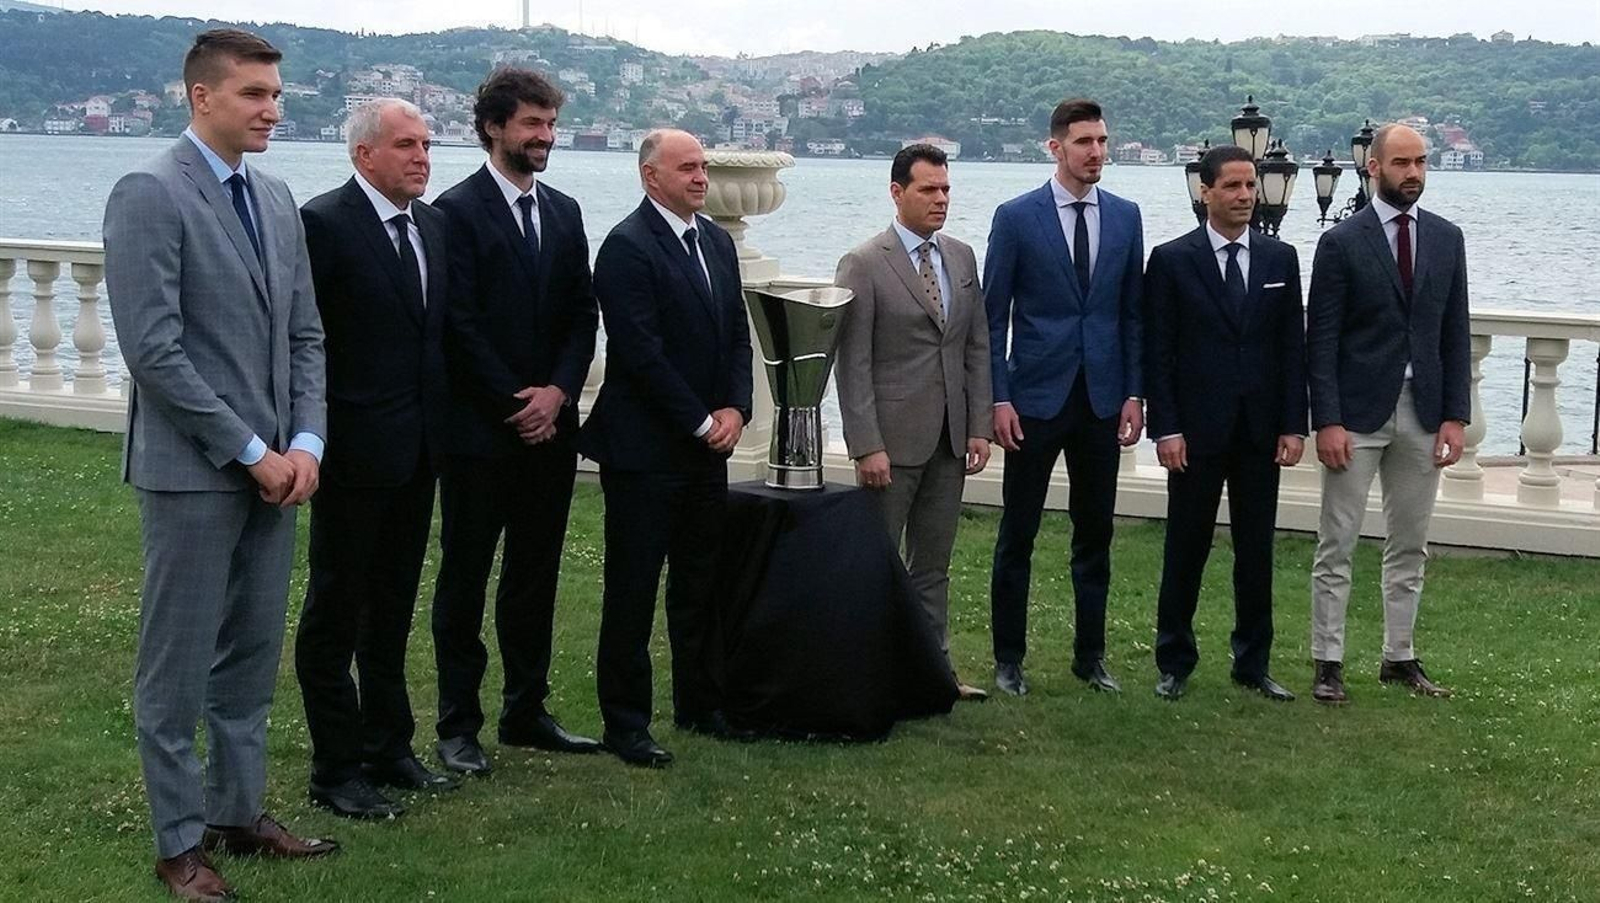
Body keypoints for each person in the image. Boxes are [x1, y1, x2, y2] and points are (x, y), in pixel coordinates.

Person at [102, 28, 334, 902]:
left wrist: (305, 444)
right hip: (196, 475)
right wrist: (251, 452)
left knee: (249, 655)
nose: (273, 108)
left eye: (277, 94)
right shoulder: (149, 193)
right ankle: (176, 845)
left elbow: (307, 334)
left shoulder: (275, 197)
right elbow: (154, 352)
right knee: (177, 666)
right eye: (254, 94)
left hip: (281, 473)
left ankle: (237, 811)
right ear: (202, 96)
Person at [428, 67, 601, 774]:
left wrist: (558, 393)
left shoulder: (563, 213)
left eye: (551, 124)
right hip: (477, 433)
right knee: (465, 577)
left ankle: (526, 710)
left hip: (551, 434)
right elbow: (457, 324)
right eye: (533, 123)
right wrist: (514, 401)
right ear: (495, 126)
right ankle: (457, 724)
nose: (546, 137)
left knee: (535, 575)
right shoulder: (452, 212)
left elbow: (580, 314)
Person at [293, 99, 458, 820]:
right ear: (364, 154)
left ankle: (390, 746)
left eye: (426, 144)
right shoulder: (325, 224)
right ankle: (336, 767)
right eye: (406, 145)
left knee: (391, 610)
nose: (422, 157)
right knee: (336, 610)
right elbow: (306, 341)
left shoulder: (433, 226)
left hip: (419, 453)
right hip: (351, 454)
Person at [579, 129, 754, 768]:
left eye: (704, 166)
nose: (701, 178)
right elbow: (639, 353)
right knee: (632, 590)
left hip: (705, 451)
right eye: (688, 168)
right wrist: (700, 422)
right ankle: (626, 723)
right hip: (645, 453)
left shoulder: (713, 241)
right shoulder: (627, 248)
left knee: (700, 584)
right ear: (652, 177)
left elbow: (738, 331)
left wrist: (737, 407)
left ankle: (701, 704)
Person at [984, 98, 1146, 696]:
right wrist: (999, 399)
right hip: (1033, 399)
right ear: (1056, 148)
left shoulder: (1126, 217)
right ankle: (1008, 658)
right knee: (1017, 533)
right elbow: (992, 314)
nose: (1096, 152)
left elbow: (1132, 311)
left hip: (1102, 399)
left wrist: (1134, 390)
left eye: (1102, 141)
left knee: (1094, 533)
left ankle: (1090, 655)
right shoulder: (1017, 217)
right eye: (1084, 142)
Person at [1306, 123, 1469, 704]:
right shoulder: (1343, 242)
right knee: (1339, 541)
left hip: (1423, 412)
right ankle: (1328, 660)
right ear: (1373, 168)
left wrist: (1455, 415)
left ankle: (1399, 656)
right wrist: (1326, 418)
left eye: (1421, 162)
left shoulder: (1447, 239)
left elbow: (1454, 332)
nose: (1413, 173)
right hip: (1356, 413)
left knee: (1410, 543)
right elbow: (1320, 338)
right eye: (1401, 163)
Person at [1142, 144, 1307, 702]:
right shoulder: (1170, 260)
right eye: (1232, 186)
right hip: (1195, 432)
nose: (1243, 196)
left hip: (1260, 431)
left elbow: (1292, 349)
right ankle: (1175, 660)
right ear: (1205, 191)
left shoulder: (1279, 259)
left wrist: (1294, 424)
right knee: (1185, 548)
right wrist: (1166, 429)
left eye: (1250, 185)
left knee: (1255, 550)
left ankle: (1253, 662)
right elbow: (1158, 352)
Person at [833, 143, 993, 701]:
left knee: (933, 566)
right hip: (891, 445)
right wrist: (866, 444)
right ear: (897, 192)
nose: (940, 200)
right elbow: (850, 363)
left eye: (946, 189)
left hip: (950, 439)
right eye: (929, 189)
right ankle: (868, 674)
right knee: (877, 565)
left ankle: (933, 675)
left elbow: (976, 346)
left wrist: (979, 425)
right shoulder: (864, 263)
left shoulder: (962, 257)